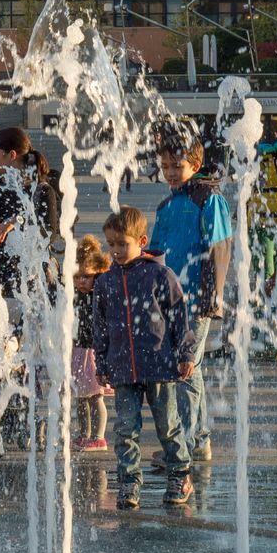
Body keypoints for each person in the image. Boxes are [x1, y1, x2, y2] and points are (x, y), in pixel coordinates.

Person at [90, 206, 197, 509]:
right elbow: (99, 326)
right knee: (126, 428)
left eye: (123, 244)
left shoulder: (160, 275)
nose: (116, 251)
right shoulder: (105, 282)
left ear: (141, 240)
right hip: (122, 367)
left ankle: (179, 474)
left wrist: (185, 352)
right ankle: (128, 480)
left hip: (160, 365)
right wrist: (102, 361)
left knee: (168, 425)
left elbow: (178, 317)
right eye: (111, 244)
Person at [148, 139, 231, 461]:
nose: (170, 172)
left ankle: (187, 442)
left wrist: (212, 296)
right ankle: (197, 440)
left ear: (195, 166)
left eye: (176, 166)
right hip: (170, 300)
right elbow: (154, 251)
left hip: (198, 299)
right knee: (187, 369)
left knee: (185, 368)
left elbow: (220, 247)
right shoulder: (167, 205)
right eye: (165, 166)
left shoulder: (208, 199)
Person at [0, 126, 57, 295]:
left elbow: (49, 233)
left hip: (25, 280)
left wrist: (16, 221)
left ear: (11, 155)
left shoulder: (40, 191)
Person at [70, 234, 113, 454]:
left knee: (96, 397)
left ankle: (99, 436)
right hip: (78, 350)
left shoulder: (101, 294)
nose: (81, 282)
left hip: (94, 352)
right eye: (77, 277)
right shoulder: (74, 295)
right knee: (80, 397)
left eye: (86, 277)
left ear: (98, 272)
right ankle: (84, 434)